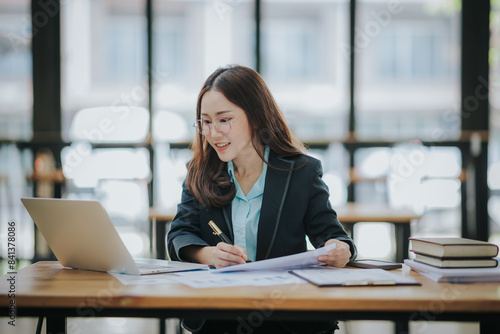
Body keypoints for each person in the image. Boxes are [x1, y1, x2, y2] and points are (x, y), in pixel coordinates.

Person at [167, 64, 357, 334]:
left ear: (256, 116)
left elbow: (332, 236)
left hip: (287, 318)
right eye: (206, 122)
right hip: (219, 316)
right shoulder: (200, 172)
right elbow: (179, 233)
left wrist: (340, 250)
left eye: (224, 119)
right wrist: (210, 254)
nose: (213, 132)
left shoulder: (301, 172)